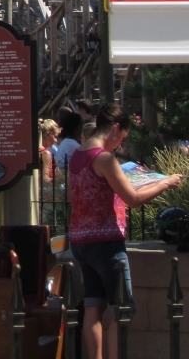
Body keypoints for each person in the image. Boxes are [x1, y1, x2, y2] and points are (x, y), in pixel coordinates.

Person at [69, 103, 182, 359]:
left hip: (80, 240)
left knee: (93, 305)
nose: (119, 144)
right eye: (122, 138)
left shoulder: (77, 154)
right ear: (116, 129)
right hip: (106, 242)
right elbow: (132, 200)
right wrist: (164, 183)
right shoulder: (104, 158)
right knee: (123, 308)